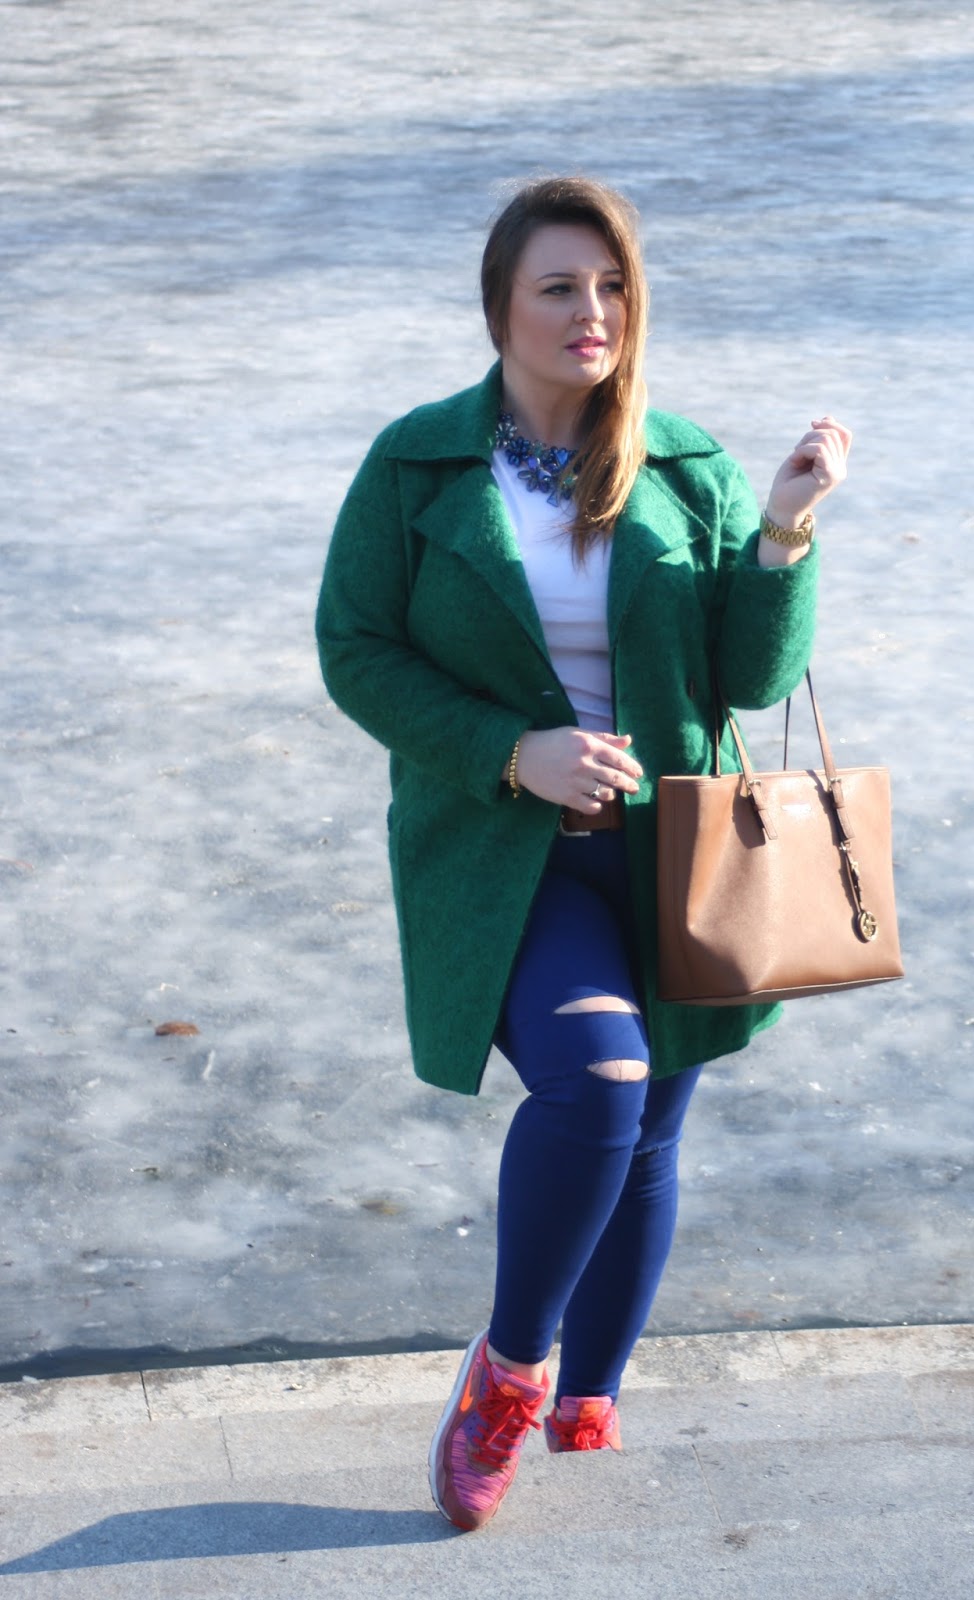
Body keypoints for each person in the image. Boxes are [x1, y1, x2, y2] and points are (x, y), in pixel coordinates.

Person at [315, 175, 851, 1532]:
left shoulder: (681, 463)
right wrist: (514, 749)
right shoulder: (417, 465)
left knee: (653, 1124)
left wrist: (783, 531)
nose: (590, 312)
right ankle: (508, 1374)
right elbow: (356, 651)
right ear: (499, 305)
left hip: (680, 855)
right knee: (600, 1084)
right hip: (508, 859)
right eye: (558, 286)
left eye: (612, 287)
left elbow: (746, 677)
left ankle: (593, 1387)